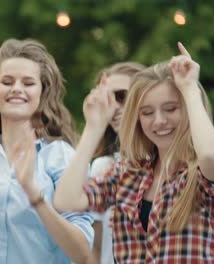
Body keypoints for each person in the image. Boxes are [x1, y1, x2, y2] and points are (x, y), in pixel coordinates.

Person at [54, 42, 214, 263]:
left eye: (171, 108)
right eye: (147, 112)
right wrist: (93, 128)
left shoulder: (204, 174)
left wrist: (190, 89)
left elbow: (211, 157)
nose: (159, 121)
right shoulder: (127, 174)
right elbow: (66, 200)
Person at [0, 39, 94, 263]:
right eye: (7, 81)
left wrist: (37, 199)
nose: (16, 89)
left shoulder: (61, 157)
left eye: (28, 83)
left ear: (42, 92)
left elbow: (83, 252)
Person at [86, 62, 145, 264]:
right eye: (107, 99)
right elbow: (96, 247)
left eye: (121, 96)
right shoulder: (103, 166)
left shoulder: (174, 164)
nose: (114, 107)